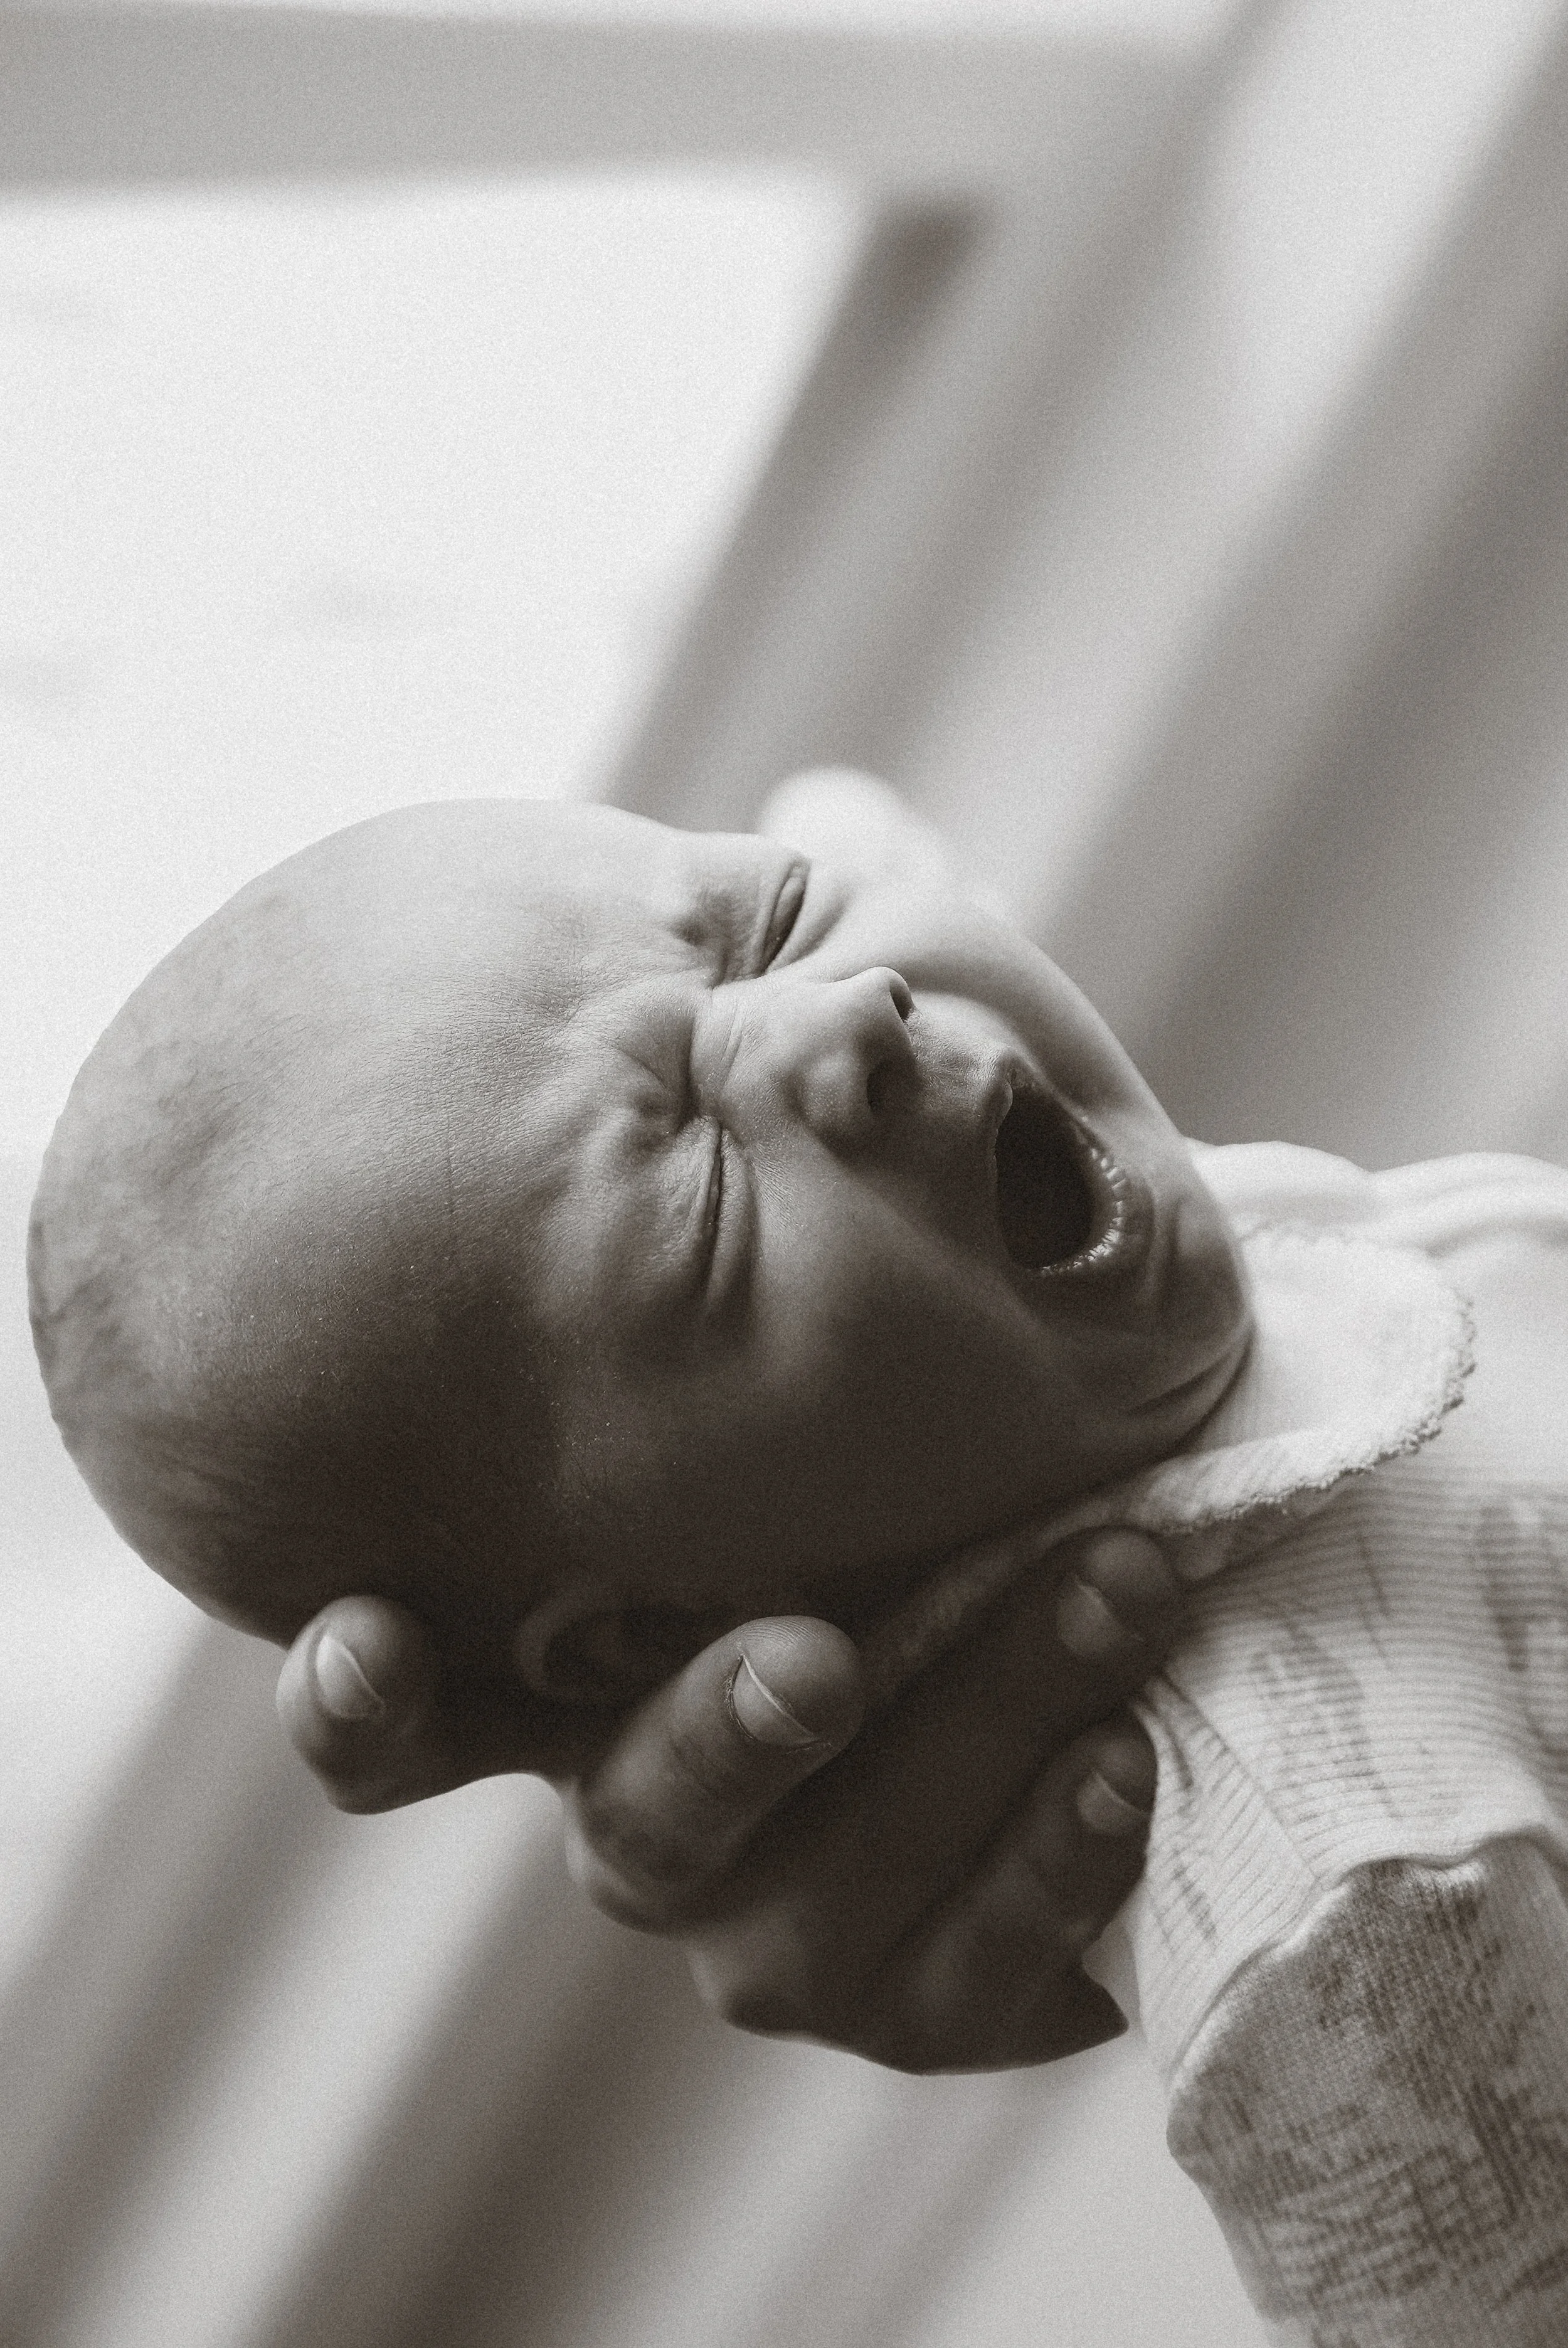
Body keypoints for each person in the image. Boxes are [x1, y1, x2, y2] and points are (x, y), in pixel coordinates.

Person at [31, 781, 1568, 2340]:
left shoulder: (998, 1252)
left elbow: (859, 843)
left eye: (765, 921)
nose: (844, 1015)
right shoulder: (1336, 1885)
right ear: (653, 1626)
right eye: (696, 1194)